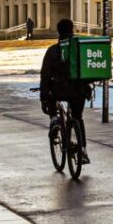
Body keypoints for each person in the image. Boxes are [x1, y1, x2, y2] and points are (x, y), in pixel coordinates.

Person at [39, 18, 93, 162]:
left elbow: (45, 75)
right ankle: (82, 151)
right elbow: (87, 70)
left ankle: (54, 119)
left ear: (59, 32)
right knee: (77, 118)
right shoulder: (80, 49)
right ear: (72, 30)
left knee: (49, 94)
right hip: (78, 91)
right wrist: (87, 87)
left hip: (59, 91)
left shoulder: (52, 51)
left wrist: (43, 97)